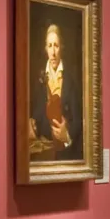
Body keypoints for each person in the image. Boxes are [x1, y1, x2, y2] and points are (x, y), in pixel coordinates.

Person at [28, 23, 82, 161]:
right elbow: (35, 114)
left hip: (66, 152)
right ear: (46, 48)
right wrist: (32, 125)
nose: (53, 52)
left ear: (61, 48)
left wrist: (67, 135)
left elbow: (78, 120)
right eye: (50, 45)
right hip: (44, 151)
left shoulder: (71, 80)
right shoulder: (38, 79)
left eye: (56, 46)